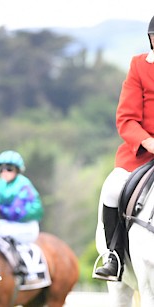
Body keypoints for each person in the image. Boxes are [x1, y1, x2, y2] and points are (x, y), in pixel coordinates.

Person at [93, 15, 154, 282]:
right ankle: (114, 256)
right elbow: (126, 118)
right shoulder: (140, 67)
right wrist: (148, 141)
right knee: (112, 188)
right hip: (140, 153)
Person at [0, 150, 43, 275]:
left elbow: (17, 213)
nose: (4, 172)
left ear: (17, 170)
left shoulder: (23, 184)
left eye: (9, 169)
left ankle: (19, 265)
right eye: (1, 169)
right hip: (8, 223)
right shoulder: (0, 184)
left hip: (26, 227)